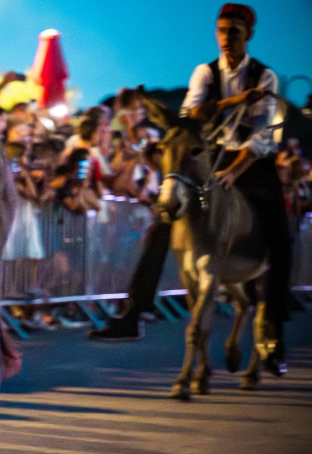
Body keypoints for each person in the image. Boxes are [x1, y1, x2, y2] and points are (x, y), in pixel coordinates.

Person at [89, 2, 291, 378]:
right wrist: (234, 101)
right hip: (206, 157)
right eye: (222, 30)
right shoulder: (205, 72)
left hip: (249, 164)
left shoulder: (265, 76)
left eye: (234, 32)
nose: (227, 38)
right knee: (163, 223)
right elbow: (189, 116)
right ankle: (133, 314)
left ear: (249, 35)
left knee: (280, 235)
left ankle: (273, 330)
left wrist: (233, 171)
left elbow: (262, 136)